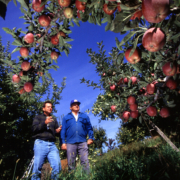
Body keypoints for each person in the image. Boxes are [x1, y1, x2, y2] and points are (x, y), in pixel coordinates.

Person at [61, 99, 94, 173]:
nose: (76, 105)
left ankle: (87, 178)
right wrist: (63, 142)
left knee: (85, 162)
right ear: (70, 107)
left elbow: (89, 127)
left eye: (77, 104)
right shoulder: (66, 117)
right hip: (70, 143)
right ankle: (72, 177)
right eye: (74, 104)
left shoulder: (84, 116)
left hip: (82, 142)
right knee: (71, 163)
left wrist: (91, 137)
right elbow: (63, 130)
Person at [31, 100, 62, 180]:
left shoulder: (54, 119)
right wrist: (44, 123)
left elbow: (55, 133)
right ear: (43, 109)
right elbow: (34, 129)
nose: (50, 108)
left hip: (52, 145)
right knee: (37, 168)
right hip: (40, 143)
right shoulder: (38, 117)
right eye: (48, 107)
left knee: (57, 166)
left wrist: (58, 131)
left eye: (51, 107)